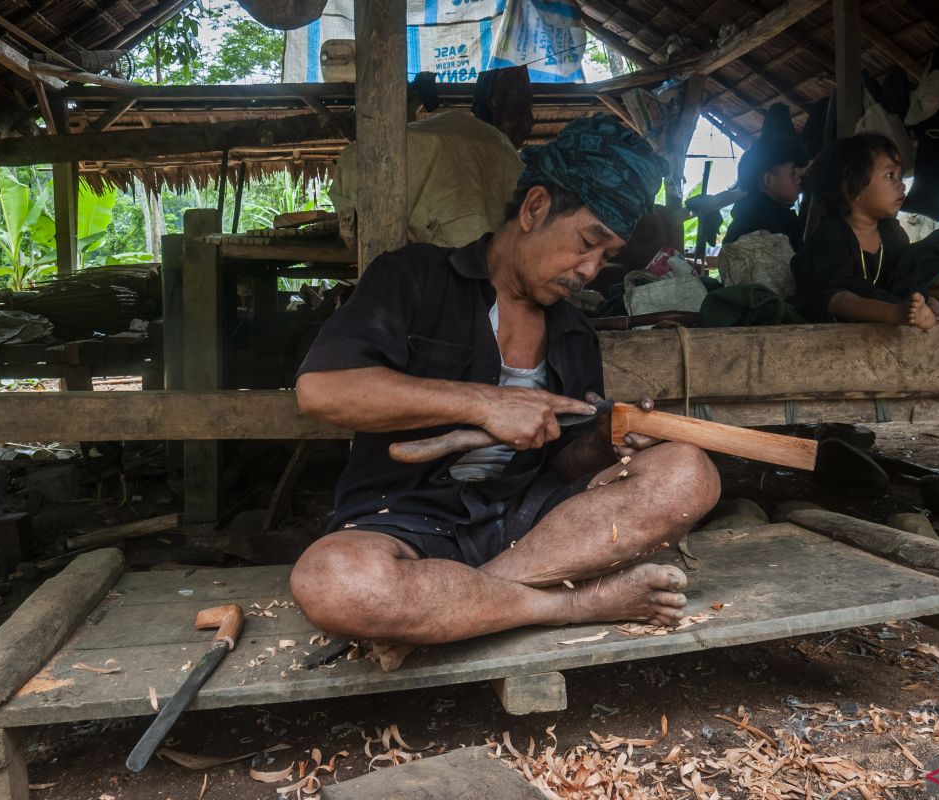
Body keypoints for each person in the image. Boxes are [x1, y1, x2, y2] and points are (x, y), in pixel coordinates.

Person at [290, 115, 721, 671]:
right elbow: (322, 392)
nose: (590, 270)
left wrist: (603, 446)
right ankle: (571, 606)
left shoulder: (573, 332)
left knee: (689, 471)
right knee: (335, 583)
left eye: (606, 257)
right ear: (535, 208)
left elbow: (563, 465)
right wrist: (485, 403)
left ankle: (444, 614)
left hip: (533, 530)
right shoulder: (413, 277)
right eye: (587, 243)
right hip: (404, 517)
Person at [792, 134, 939, 330]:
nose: (901, 184)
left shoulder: (892, 233)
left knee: (928, 301)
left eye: (900, 176)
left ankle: (934, 322)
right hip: (833, 316)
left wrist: (922, 299)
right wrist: (897, 309)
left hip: (888, 309)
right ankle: (900, 315)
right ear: (851, 189)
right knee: (839, 299)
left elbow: (907, 277)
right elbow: (838, 291)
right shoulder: (830, 234)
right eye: (889, 175)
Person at [723, 135, 805, 250]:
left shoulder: (739, 221)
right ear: (769, 180)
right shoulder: (783, 221)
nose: (798, 179)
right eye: (792, 174)